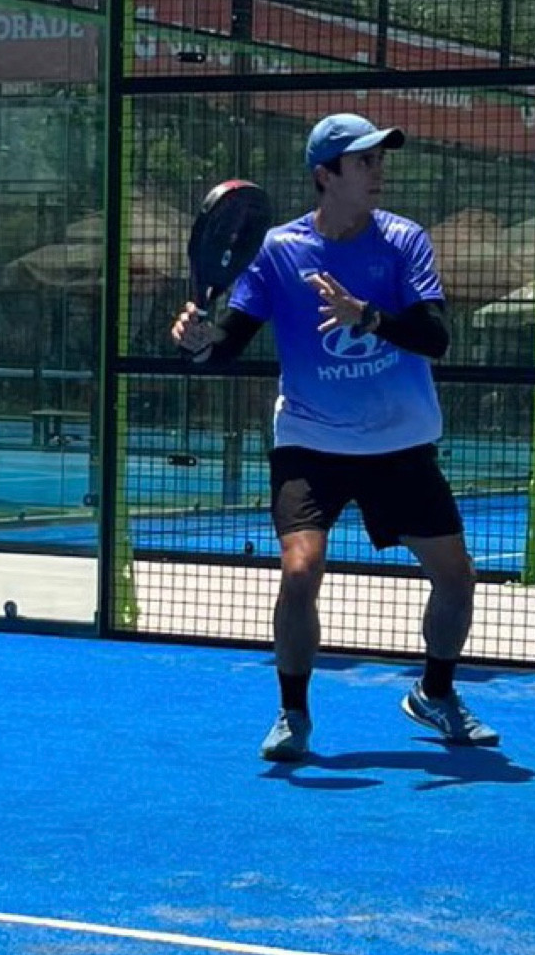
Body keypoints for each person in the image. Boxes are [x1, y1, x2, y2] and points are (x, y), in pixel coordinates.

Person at [171, 112, 499, 762]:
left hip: (400, 443)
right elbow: (229, 343)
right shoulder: (278, 251)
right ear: (326, 175)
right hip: (310, 441)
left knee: (457, 577)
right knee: (300, 570)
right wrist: (199, 342)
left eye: (379, 158)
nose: (378, 170)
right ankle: (292, 713)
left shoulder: (404, 241)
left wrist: (368, 316)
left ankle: (435, 693)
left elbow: (436, 337)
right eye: (363, 160)